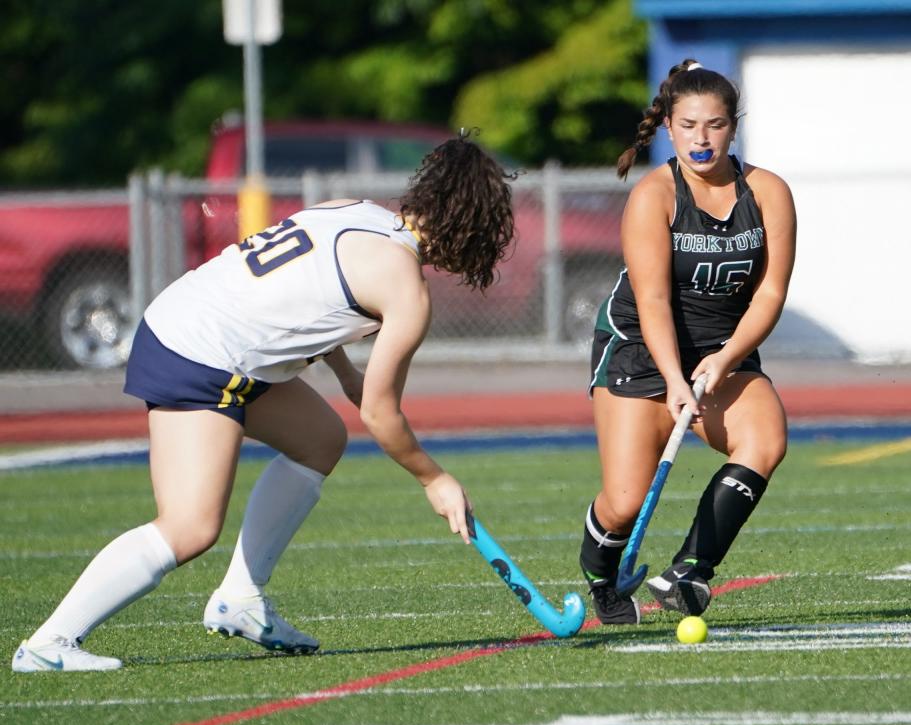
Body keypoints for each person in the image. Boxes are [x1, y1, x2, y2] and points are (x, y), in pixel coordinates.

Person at [12, 131, 516, 672]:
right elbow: (381, 413)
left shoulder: (353, 210)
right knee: (190, 527)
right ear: (472, 230)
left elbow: (306, 293)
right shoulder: (407, 291)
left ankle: (242, 600)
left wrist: (347, 371)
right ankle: (49, 643)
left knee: (321, 439)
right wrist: (433, 479)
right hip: (198, 354)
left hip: (187, 319)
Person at [578, 59, 796, 624]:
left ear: (733, 126)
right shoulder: (654, 197)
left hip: (724, 347)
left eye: (716, 125)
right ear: (669, 128)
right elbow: (651, 302)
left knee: (765, 438)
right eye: (690, 125)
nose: (703, 139)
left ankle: (689, 570)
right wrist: (675, 380)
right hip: (641, 348)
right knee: (624, 501)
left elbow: (769, 294)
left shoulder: (768, 191)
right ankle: (602, 578)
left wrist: (725, 359)